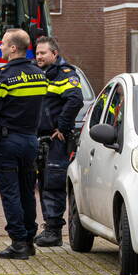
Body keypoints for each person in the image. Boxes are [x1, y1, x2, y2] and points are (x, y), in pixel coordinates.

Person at [0, 29, 48, 260]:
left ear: (13, 48)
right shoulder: (39, 74)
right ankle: (29, 240)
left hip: (7, 142)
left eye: (3, 44)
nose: (0, 47)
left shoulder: (3, 76)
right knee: (28, 192)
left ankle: (18, 242)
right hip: (30, 141)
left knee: (11, 193)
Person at [33, 36, 84, 248]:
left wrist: (62, 127)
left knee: (53, 183)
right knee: (44, 182)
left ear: (54, 54)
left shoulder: (65, 74)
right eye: (37, 53)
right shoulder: (41, 74)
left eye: (43, 53)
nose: (39, 56)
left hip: (56, 140)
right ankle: (49, 228)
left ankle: (54, 230)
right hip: (42, 139)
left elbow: (75, 100)